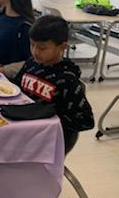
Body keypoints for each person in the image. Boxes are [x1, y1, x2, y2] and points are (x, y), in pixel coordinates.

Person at [13, 15, 94, 154]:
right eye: (32, 45)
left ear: (62, 47)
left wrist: (50, 119)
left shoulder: (67, 80)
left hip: (45, 143)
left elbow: (86, 120)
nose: (35, 52)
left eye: (42, 48)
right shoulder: (32, 63)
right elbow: (16, 88)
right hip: (22, 127)